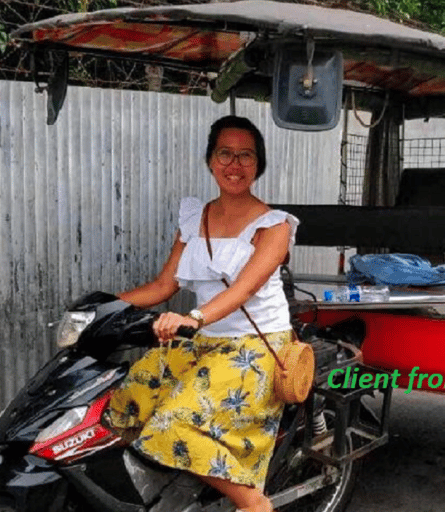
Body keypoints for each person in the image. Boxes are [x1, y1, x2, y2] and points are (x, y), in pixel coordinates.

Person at [106, 115, 299, 512]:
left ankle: (254, 503)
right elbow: (163, 286)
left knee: (175, 422)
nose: (235, 164)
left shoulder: (274, 226)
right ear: (210, 160)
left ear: (258, 165)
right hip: (203, 340)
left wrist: (192, 318)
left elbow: (245, 288)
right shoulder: (196, 218)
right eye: (225, 153)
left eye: (246, 156)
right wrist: (103, 305)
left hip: (256, 347)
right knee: (126, 400)